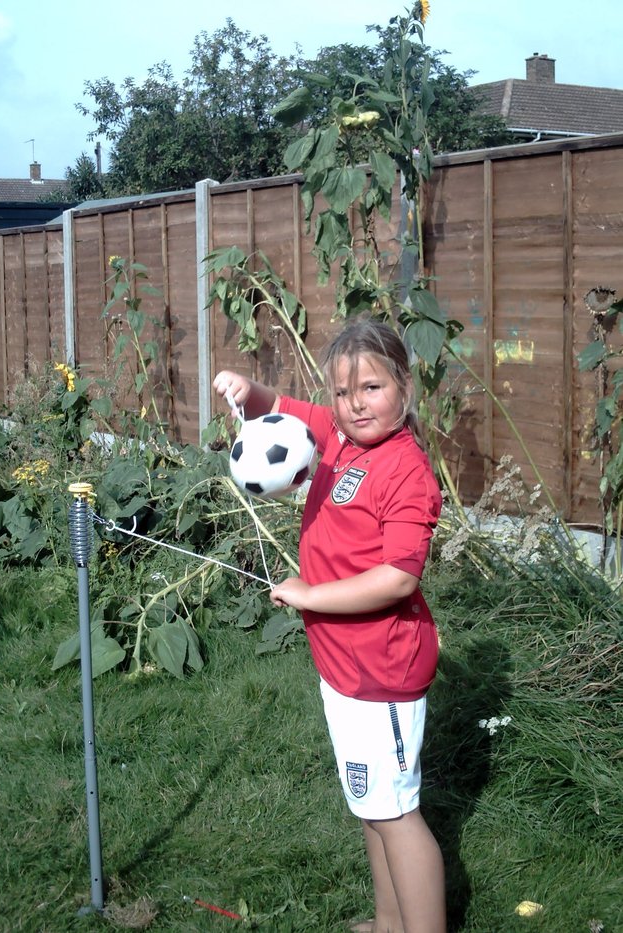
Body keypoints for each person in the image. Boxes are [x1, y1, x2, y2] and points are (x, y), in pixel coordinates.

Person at [213, 317, 446, 933]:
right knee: (373, 808)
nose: (353, 405)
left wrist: (312, 595)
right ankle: (389, 923)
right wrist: (246, 389)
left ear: (404, 385)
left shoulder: (405, 472)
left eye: (370, 388)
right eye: (342, 393)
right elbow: (277, 407)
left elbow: (398, 578)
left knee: (397, 815)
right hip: (344, 668)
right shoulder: (340, 441)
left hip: (384, 671)